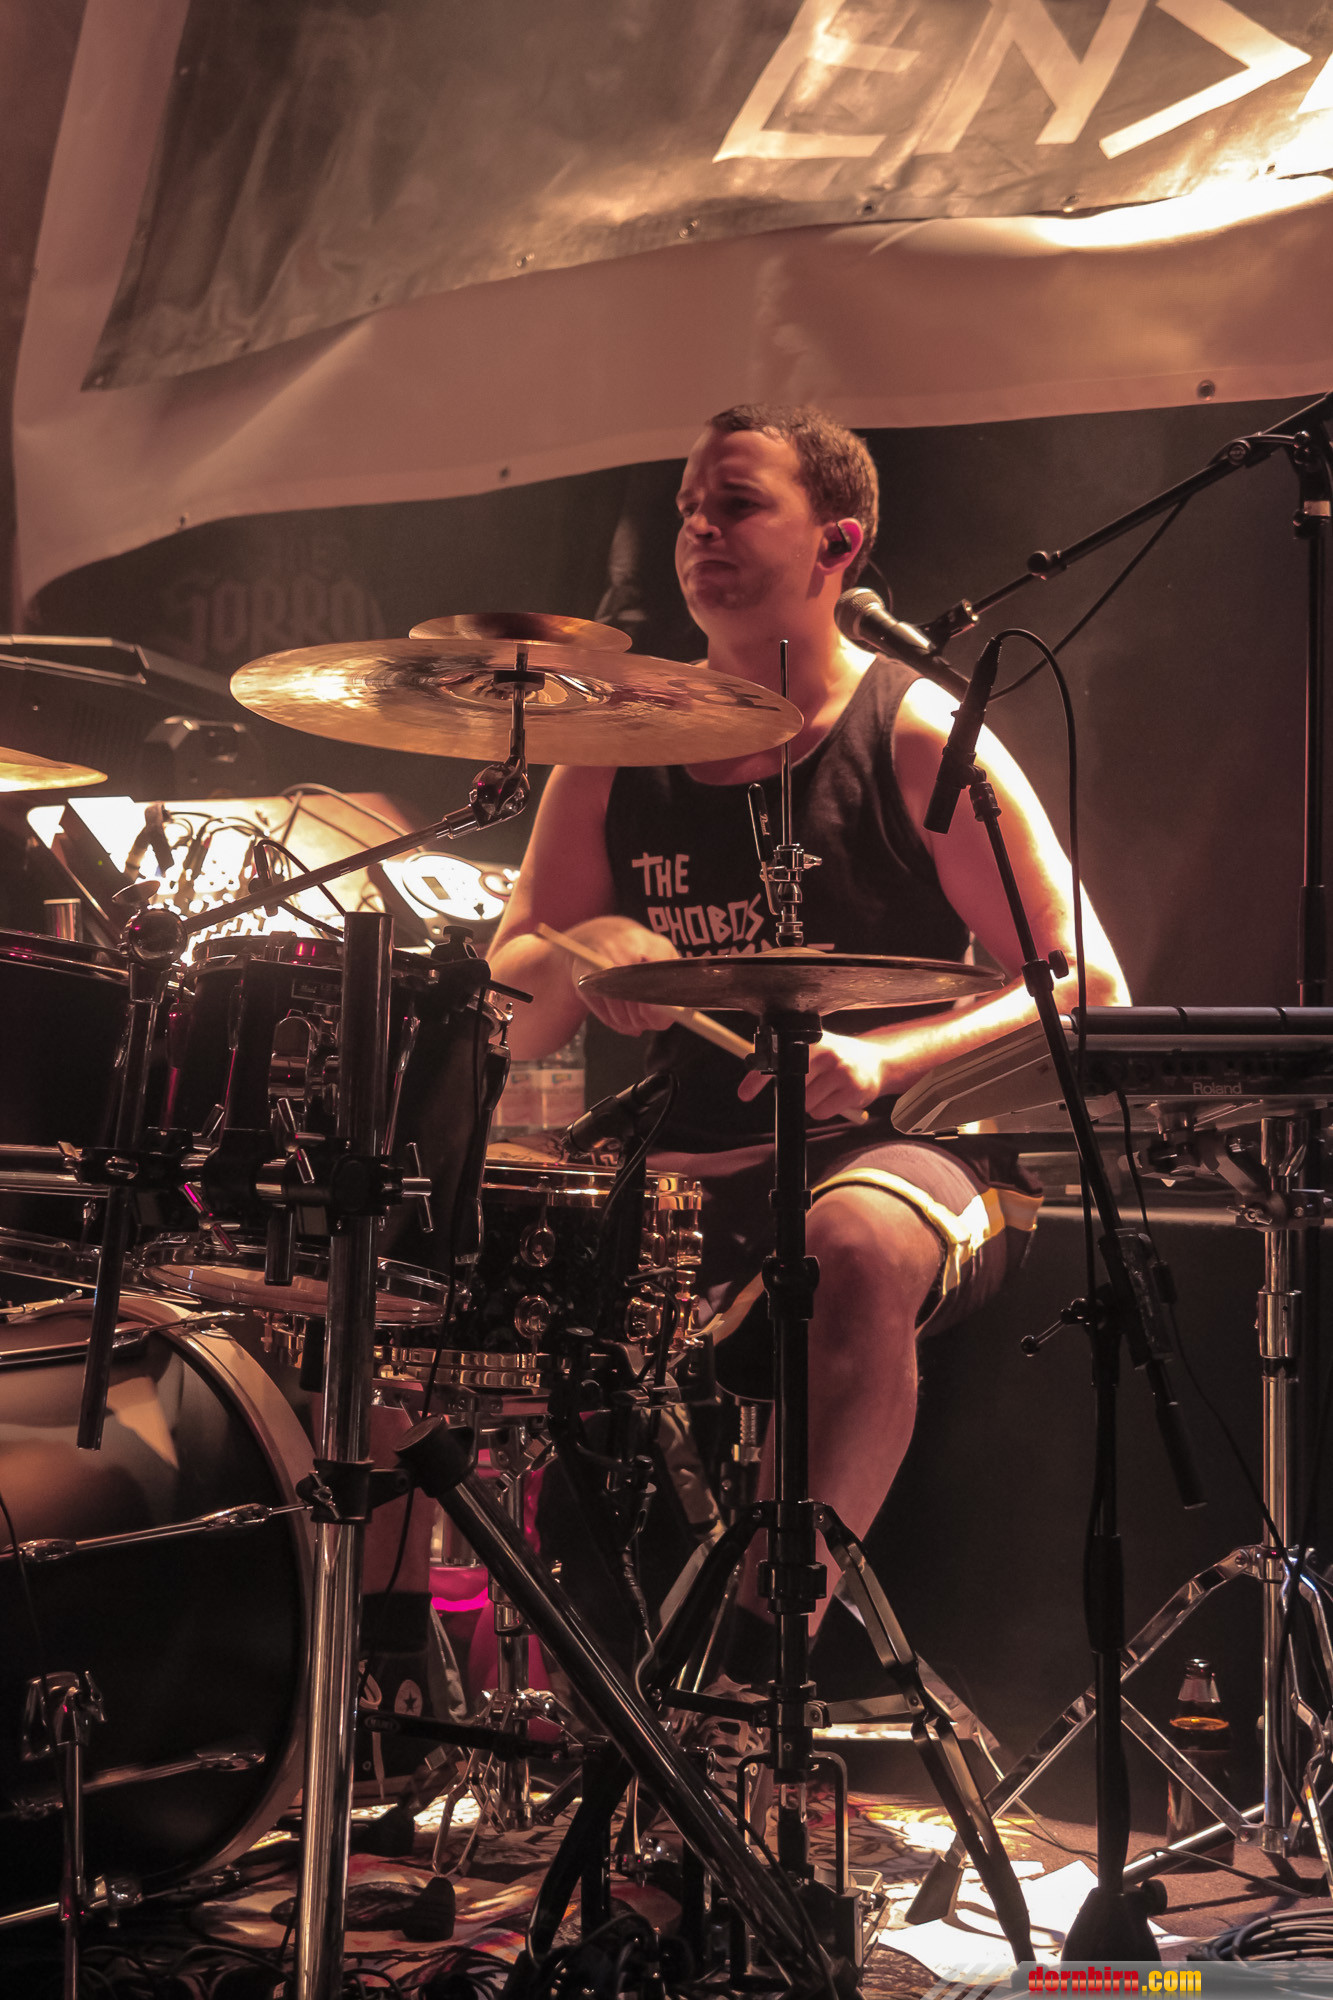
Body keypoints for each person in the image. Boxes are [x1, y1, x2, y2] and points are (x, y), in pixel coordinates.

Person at [488, 404, 1128, 1663]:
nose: (698, 531)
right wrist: (577, 949)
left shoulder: (916, 733)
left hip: (905, 1149)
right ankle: (433, 1666)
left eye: (736, 504)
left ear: (838, 542)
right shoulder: (612, 748)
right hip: (689, 1162)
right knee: (454, 1255)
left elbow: (1084, 977)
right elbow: (507, 1009)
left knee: (846, 1246)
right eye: (687, 510)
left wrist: (891, 1057)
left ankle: (758, 1656)